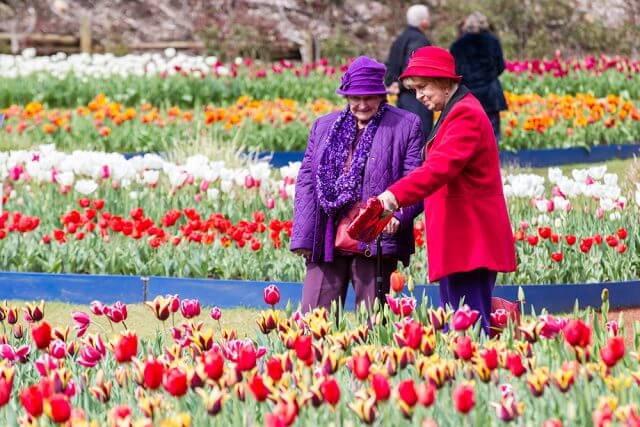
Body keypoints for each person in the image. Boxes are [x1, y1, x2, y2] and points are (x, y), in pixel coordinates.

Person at [376, 46, 516, 333]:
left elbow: (438, 169)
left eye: (423, 87)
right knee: (459, 323)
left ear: (443, 80)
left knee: (468, 326)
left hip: (469, 240)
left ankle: (475, 377)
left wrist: (392, 197)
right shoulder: (455, 110)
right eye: (414, 90)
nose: (419, 96)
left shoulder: (465, 115)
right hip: (461, 240)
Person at [291, 56, 424, 313]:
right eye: (355, 98)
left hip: (375, 236)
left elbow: (416, 180)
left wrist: (394, 214)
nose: (362, 104)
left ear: (381, 95)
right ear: (347, 96)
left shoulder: (405, 125)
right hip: (328, 236)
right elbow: (307, 181)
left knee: (373, 320)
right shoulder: (323, 126)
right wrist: (304, 237)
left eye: (369, 97)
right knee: (314, 317)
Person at [450, 12, 507, 141]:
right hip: (490, 94)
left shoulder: (457, 45)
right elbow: (501, 66)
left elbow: (455, 71)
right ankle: (493, 160)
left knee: (469, 133)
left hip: (468, 93)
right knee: (492, 134)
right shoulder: (493, 41)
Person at [384, 4, 434, 136]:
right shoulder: (419, 40)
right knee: (418, 140)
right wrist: (400, 86)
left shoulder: (400, 38)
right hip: (416, 99)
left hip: (403, 99)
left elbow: (390, 66)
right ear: (423, 21)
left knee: (405, 139)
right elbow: (414, 69)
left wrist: (392, 84)